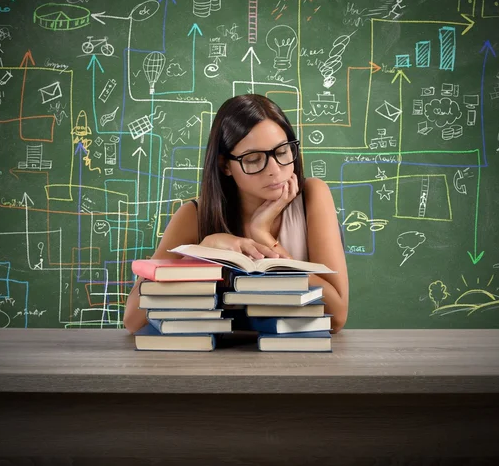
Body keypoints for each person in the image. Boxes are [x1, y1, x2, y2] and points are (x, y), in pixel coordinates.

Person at [123, 94, 348, 335]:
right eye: (253, 159)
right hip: (212, 362)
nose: (275, 170)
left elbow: (336, 316)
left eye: (282, 152)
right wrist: (202, 254)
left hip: (293, 358)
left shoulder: (313, 195)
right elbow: (133, 320)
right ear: (225, 165)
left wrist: (261, 233)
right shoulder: (193, 215)